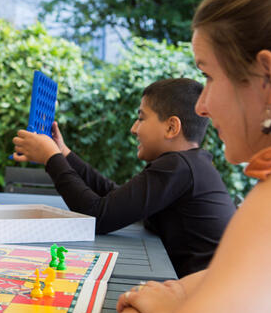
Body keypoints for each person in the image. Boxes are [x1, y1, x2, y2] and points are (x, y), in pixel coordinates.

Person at [85, 0, 271, 313]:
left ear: (268, 78)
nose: (202, 107)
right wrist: (172, 296)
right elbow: (237, 275)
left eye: (210, 77)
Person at [12, 78, 235, 277]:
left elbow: (96, 216)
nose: (133, 128)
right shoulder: (188, 165)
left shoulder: (178, 167)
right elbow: (114, 197)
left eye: (141, 118)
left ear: (171, 127)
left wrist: (52, 158)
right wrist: (64, 153)